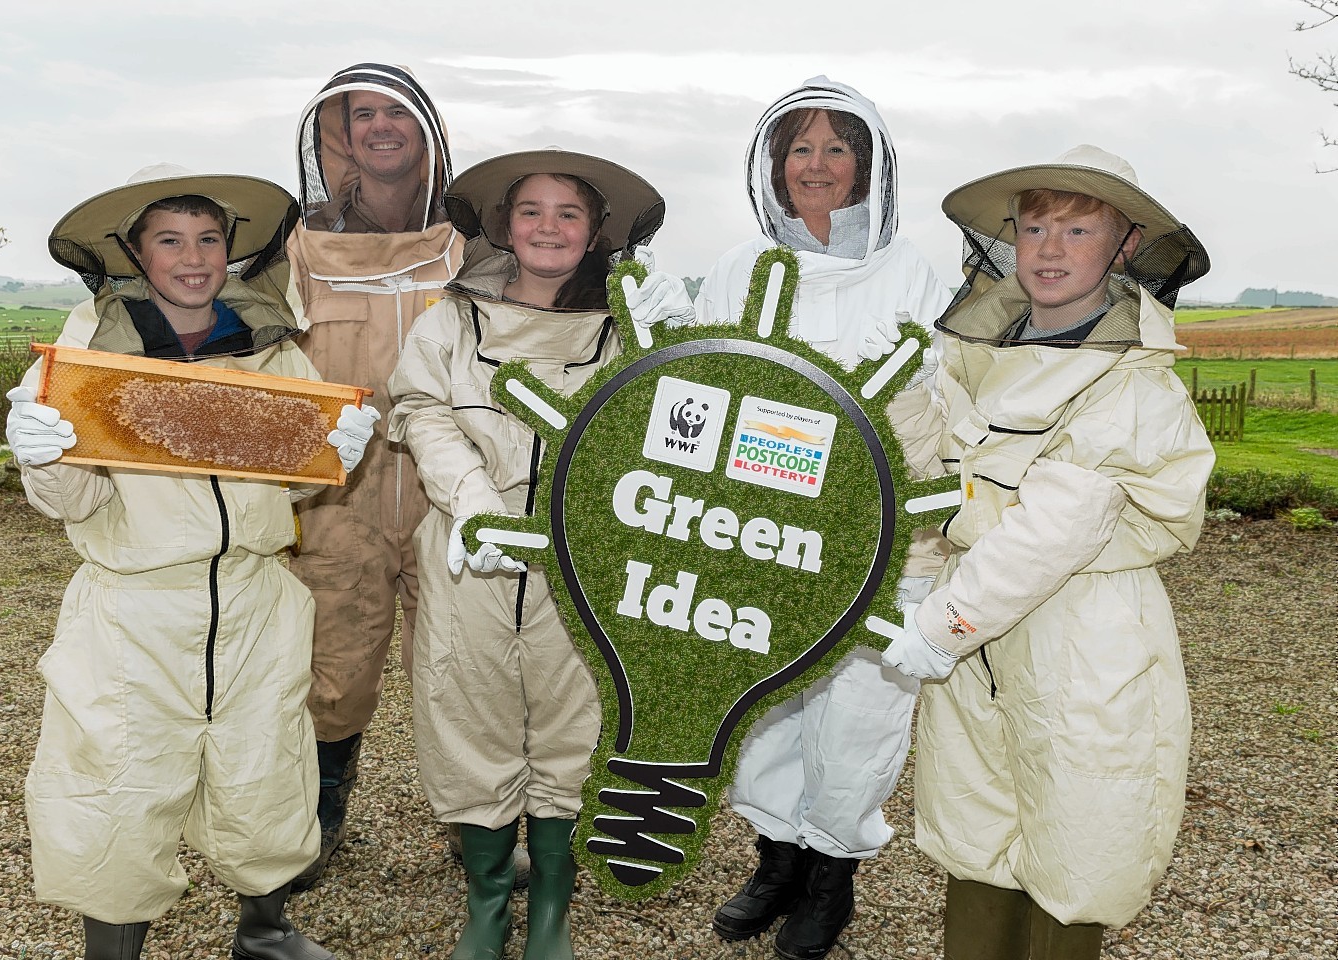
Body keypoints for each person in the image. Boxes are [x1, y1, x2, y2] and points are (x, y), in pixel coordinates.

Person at [6, 164, 380, 960]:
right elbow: (69, 503)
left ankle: (266, 927)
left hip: (254, 599)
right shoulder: (86, 350)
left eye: (208, 238)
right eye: (169, 239)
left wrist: (331, 453)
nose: (194, 256)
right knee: (121, 784)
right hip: (135, 609)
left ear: (229, 251)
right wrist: (43, 455)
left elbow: (292, 487)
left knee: (266, 769)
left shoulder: (273, 347)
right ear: (136, 253)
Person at [881, 145, 1214, 960]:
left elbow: (1054, 529)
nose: (1050, 249)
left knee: (1077, 840)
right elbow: (936, 483)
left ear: (1125, 245)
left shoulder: (1132, 384)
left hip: (1082, 636)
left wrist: (940, 623)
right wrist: (914, 571)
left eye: (1077, 228)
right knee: (973, 823)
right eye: (1034, 227)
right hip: (975, 637)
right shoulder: (978, 356)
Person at [691, 77, 952, 960]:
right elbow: (701, 389)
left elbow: (941, 405)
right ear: (774, 163)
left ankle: (832, 876)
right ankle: (777, 858)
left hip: (887, 536)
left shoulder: (912, 270)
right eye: (800, 147)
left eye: (836, 147)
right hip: (763, 531)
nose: (817, 164)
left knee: (862, 707)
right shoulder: (736, 269)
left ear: (866, 165)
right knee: (769, 701)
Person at [387, 147, 666, 960]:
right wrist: (471, 495)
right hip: (465, 552)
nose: (549, 227)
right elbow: (418, 408)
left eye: (569, 213)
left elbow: (660, 432)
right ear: (504, 224)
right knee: (465, 715)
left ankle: (550, 906)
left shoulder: (631, 330)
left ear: (596, 233)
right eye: (533, 211)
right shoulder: (450, 319)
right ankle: (485, 900)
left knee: (572, 725)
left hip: (584, 564)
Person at [285, 63, 470, 891]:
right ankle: (320, 815)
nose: (381, 127)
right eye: (363, 115)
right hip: (336, 500)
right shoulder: (298, 245)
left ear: (425, 130)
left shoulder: (474, 243)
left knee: (469, 668)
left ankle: (483, 824)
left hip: (450, 499)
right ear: (340, 135)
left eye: (398, 112)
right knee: (332, 668)